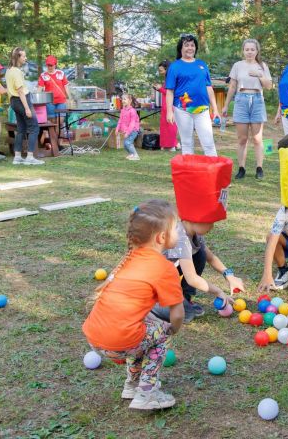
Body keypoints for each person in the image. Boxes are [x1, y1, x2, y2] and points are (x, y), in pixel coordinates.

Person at [82, 200, 184, 410]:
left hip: (94, 336)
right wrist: (173, 329)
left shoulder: (128, 259)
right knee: (161, 333)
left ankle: (132, 384)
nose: (180, 232)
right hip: (119, 341)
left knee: (144, 327)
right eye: (177, 227)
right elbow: (178, 314)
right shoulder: (164, 268)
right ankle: (147, 394)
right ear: (161, 237)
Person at [151, 218, 244, 322]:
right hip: (151, 282)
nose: (212, 227)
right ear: (195, 220)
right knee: (185, 314)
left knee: (200, 254)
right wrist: (218, 292)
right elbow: (192, 279)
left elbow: (211, 258)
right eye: (210, 222)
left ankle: (183, 297)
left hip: (164, 275)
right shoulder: (180, 238)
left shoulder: (193, 232)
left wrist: (229, 275)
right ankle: (151, 304)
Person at [222, 39, 272, 180]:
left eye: (252, 49)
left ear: (257, 51)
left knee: (257, 138)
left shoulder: (262, 65)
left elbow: (269, 86)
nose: (250, 52)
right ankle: (241, 168)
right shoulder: (237, 65)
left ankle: (259, 168)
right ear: (243, 51)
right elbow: (232, 86)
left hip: (257, 99)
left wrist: (259, 75)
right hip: (241, 99)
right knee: (242, 138)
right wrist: (226, 105)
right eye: (247, 49)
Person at [165, 34, 221, 156]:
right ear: (181, 48)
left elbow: (209, 87)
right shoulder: (175, 66)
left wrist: (215, 109)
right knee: (186, 143)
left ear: (195, 48)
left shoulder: (202, 64)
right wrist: (169, 111)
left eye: (192, 45)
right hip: (182, 110)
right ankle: (189, 173)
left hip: (203, 109)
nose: (190, 48)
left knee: (208, 143)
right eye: (186, 45)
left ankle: (213, 173)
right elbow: (169, 91)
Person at [6, 47, 44, 165]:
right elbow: (20, 91)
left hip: (13, 101)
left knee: (21, 128)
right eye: (23, 56)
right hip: (22, 101)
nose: (25, 58)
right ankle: (30, 157)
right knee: (34, 128)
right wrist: (27, 108)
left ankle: (17, 157)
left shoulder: (9, 70)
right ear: (18, 57)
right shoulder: (16, 72)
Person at [153, 60, 179, 151]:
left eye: (161, 70)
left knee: (171, 126)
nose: (160, 72)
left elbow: (172, 93)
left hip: (171, 104)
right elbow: (166, 91)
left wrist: (161, 89)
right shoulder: (167, 79)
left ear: (167, 69)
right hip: (165, 104)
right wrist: (159, 88)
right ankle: (166, 144)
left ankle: (172, 145)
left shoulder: (173, 78)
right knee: (164, 126)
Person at [37, 55, 71, 122]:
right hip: (50, 102)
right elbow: (39, 88)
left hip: (61, 101)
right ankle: (54, 133)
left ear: (55, 64)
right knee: (52, 121)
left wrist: (69, 98)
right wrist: (37, 100)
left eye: (51, 65)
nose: (50, 67)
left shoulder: (61, 73)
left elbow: (66, 87)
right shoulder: (43, 75)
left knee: (60, 121)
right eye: (48, 65)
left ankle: (58, 132)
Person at [116, 93, 141, 160]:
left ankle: (136, 155)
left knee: (128, 142)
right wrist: (117, 129)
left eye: (125, 99)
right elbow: (120, 120)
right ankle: (131, 154)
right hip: (127, 130)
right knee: (125, 144)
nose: (123, 101)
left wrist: (127, 132)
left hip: (133, 130)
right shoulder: (123, 110)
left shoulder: (132, 111)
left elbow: (132, 123)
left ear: (130, 101)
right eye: (122, 99)